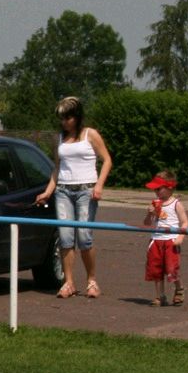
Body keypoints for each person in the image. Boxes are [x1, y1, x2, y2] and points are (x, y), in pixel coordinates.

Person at [35, 96, 113, 299]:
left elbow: (107, 160)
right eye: (61, 118)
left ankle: (91, 280)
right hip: (63, 191)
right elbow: (57, 168)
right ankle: (68, 282)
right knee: (65, 237)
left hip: (86, 191)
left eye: (68, 118)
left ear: (77, 117)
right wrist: (48, 192)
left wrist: (99, 185)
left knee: (84, 237)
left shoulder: (90, 134)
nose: (64, 122)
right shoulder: (59, 139)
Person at [142, 171, 188, 307]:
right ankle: (160, 295)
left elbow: (185, 222)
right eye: (155, 189)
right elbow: (147, 224)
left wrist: (180, 237)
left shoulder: (176, 204)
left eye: (159, 189)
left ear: (169, 188)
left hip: (171, 240)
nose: (156, 192)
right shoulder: (155, 204)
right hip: (156, 240)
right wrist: (149, 214)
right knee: (156, 269)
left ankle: (179, 289)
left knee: (171, 268)